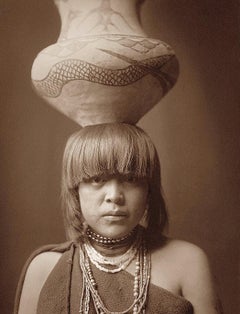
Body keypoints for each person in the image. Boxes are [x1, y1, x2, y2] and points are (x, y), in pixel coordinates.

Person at [14, 123, 223, 314]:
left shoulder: (187, 262)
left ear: (148, 190)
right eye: (97, 179)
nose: (114, 195)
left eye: (131, 179)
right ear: (75, 190)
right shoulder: (44, 268)